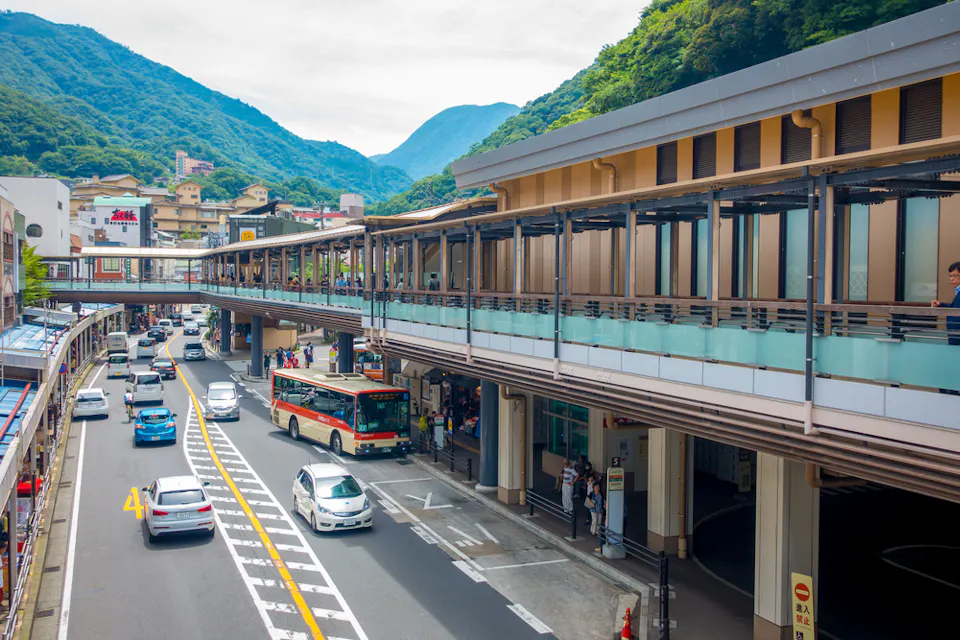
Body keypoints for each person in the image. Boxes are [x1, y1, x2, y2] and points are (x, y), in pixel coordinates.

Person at [932, 260, 960, 346]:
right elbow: (956, 307)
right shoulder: (958, 291)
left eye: (955, 276)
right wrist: (941, 304)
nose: (951, 279)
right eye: (950, 276)